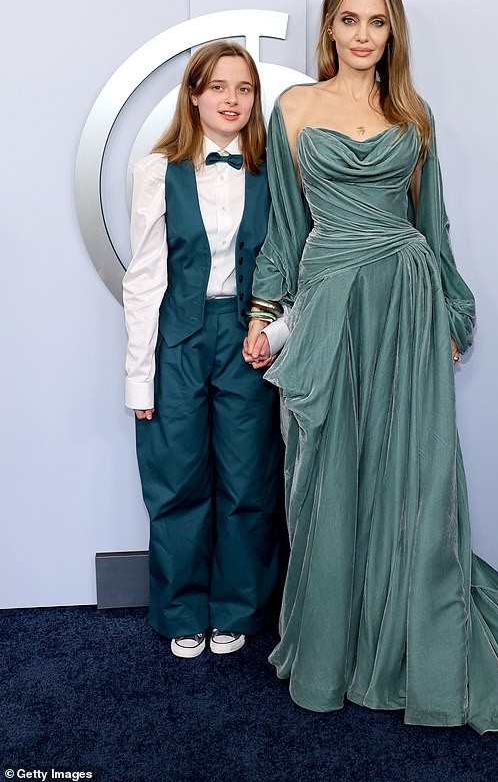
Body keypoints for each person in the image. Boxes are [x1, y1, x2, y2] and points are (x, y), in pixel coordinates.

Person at [243, 0, 498, 734]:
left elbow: (433, 224)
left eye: (376, 22)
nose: (361, 35)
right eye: (349, 20)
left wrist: (452, 311)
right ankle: (331, 650)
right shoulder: (292, 107)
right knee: (323, 473)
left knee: (409, 476)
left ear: (392, 33)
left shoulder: (413, 114)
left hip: (407, 301)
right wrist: (264, 313)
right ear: (329, 28)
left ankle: (405, 641)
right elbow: (285, 229)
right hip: (328, 304)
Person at [123, 40, 284, 659]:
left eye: (244, 89)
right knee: (177, 481)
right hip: (178, 338)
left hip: (249, 341)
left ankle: (237, 608)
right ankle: (181, 610)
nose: (232, 100)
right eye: (218, 86)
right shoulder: (157, 171)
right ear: (193, 95)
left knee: (247, 482)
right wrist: (138, 378)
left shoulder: (276, 173)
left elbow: (291, 265)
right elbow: (142, 279)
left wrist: (275, 331)